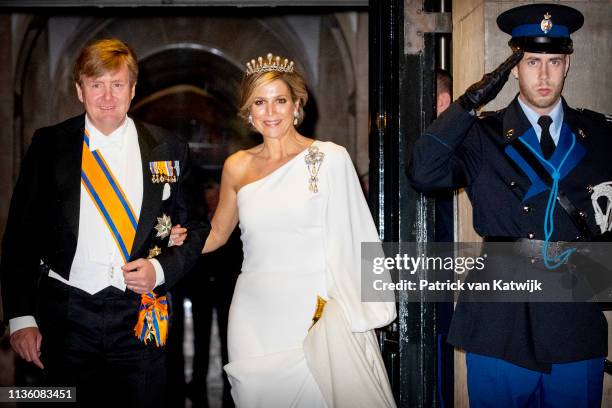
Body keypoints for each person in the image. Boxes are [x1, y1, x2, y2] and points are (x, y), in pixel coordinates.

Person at [409, 4, 610, 407]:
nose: (544, 74)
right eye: (532, 61)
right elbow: (423, 172)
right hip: (500, 319)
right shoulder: (482, 135)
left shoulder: (601, 135)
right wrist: (468, 102)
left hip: (572, 317)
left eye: (554, 61)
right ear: (514, 68)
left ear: (567, 64)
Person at [171, 53, 396, 407]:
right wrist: (172, 244)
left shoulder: (330, 158)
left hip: (312, 310)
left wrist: (358, 307)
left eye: (280, 100)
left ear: (296, 105)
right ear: (248, 111)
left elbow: (357, 237)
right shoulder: (237, 166)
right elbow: (216, 234)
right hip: (252, 311)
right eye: (260, 102)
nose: (271, 111)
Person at [0, 38, 209, 406]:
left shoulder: (169, 148)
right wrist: (20, 316)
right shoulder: (49, 145)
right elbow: (20, 236)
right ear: (80, 90)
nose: (107, 97)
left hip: (140, 315)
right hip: (65, 315)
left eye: (117, 84)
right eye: (96, 85)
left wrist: (160, 271)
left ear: (132, 88)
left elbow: (195, 227)